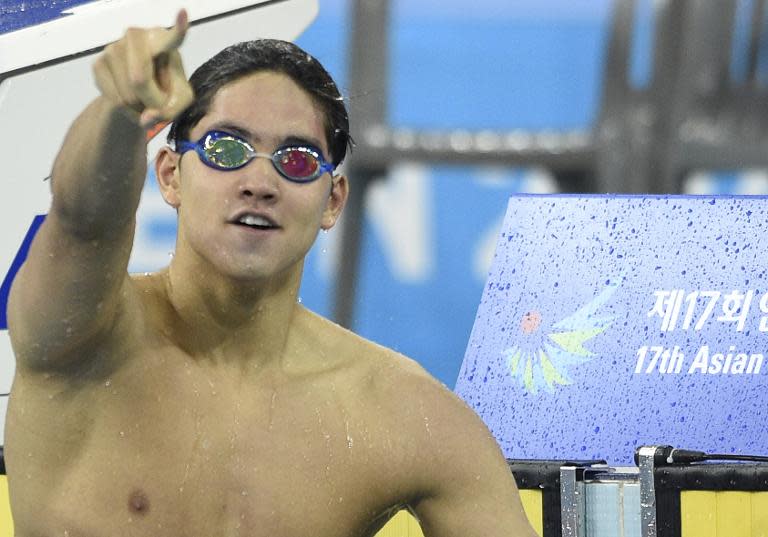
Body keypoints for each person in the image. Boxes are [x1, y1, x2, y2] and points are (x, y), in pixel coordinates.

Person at [5, 9, 537, 537]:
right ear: (170, 176)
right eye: (226, 148)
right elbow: (83, 220)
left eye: (298, 159)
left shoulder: (397, 415)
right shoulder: (80, 342)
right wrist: (120, 115)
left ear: (332, 202)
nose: (260, 180)